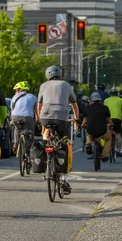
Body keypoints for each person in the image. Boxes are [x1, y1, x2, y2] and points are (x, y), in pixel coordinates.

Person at [37, 66, 80, 195]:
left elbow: (39, 105)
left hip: (45, 116)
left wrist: (40, 120)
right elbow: (74, 104)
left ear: (47, 77)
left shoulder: (43, 86)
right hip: (61, 117)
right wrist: (77, 118)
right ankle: (65, 179)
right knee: (64, 144)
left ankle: (46, 154)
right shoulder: (66, 85)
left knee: (45, 133)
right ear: (60, 75)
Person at [10, 81, 38, 156]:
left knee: (16, 128)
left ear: (20, 90)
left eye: (16, 90)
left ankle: (15, 142)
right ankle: (30, 149)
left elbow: (12, 109)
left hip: (15, 117)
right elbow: (36, 110)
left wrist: (11, 119)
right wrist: (38, 120)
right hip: (27, 118)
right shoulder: (33, 97)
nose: (15, 92)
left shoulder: (14, 97)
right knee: (30, 132)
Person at [82, 92, 112, 161]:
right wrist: (111, 124)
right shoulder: (105, 108)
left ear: (92, 99)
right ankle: (105, 155)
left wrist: (82, 125)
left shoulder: (87, 108)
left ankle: (88, 144)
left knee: (88, 135)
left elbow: (85, 119)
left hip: (91, 130)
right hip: (102, 130)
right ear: (100, 99)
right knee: (108, 139)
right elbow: (108, 119)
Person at [103, 87, 122, 158]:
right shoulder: (121, 100)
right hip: (118, 119)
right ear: (117, 93)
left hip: (108, 119)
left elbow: (104, 110)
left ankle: (105, 149)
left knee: (106, 133)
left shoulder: (106, 100)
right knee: (118, 134)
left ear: (110, 93)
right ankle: (118, 151)